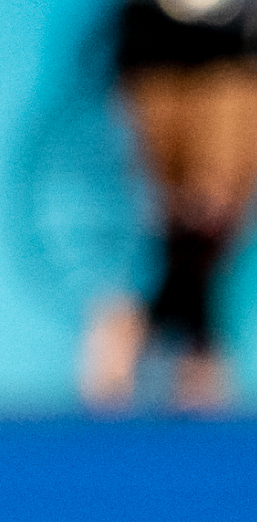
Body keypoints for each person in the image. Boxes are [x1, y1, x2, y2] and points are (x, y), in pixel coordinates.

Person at [83, 0, 257, 408]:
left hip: (237, 50)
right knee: (183, 214)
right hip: (155, 48)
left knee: (214, 214)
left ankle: (145, 327)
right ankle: (196, 346)